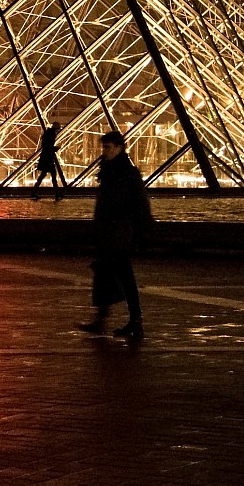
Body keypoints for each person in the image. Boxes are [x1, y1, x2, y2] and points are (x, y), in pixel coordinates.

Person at [80, 129, 155, 342]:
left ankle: (130, 320)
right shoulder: (112, 170)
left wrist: (138, 231)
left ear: (119, 148)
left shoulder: (126, 173)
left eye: (108, 147)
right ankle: (113, 320)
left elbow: (140, 204)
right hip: (110, 231)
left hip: (120, 232)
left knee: (121, 276)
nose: (104, 151)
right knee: (108, 274)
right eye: (103, 147)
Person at [31, 120, 65, 200]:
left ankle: (34, 192)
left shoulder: (48, 133)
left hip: (45, 157)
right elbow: (48, 146)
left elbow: (45, 146)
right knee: (53, 175)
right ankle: (57, 194)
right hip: (48, 158)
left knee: (44, 175)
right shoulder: (51, 135)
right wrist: (55, 148)